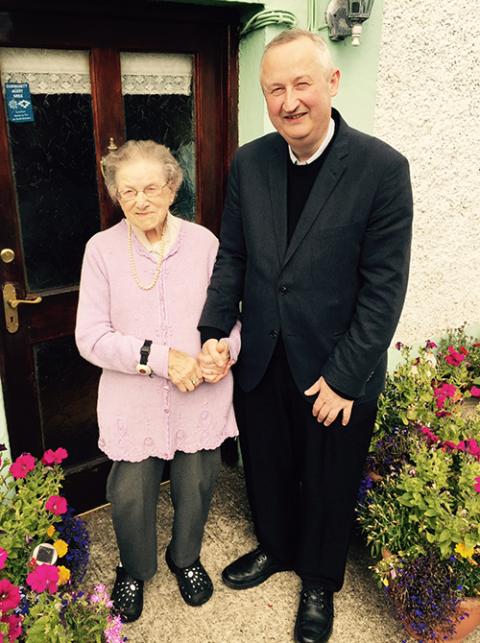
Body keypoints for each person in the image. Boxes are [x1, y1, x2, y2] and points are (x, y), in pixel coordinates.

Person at [198, 29, 413, 643]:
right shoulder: (250, 161)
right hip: (262, 354)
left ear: (331, 84)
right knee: (266, 465)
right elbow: (233, 256)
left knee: (328, 478)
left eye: (301, 84)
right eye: (275, 89)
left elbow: (384, 289)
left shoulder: (382, 169)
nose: (289, 101)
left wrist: (346, 377)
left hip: (337, 364)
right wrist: (216, 329)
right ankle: (276, 548)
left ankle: (319, 580)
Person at [75, 140, 240, 623]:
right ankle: (134, 566)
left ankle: (184, 557)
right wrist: (161, 358)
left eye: (151, 188)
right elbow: (91, 338)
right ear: (116, 195)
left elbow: (231, 316)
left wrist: (225, 349)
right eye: (128, 192)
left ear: (172, 188)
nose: (141, 200)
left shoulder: (206, 243)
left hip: (202, 395)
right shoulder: (102, 250)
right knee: (130, 490)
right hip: (134, 398)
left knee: (197, 482)